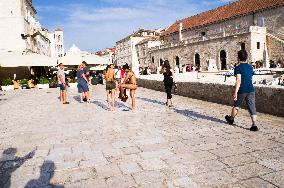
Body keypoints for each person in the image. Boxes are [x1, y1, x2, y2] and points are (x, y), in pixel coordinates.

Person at [225, 50, 258, 131]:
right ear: (246, 57)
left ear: (238, 57)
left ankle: (231, 119)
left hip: (242, 90)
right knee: (252, 107)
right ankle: (254, 125)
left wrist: (235, 92)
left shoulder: (238, 67)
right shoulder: (250, 67)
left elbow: (238, 80)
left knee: (236, 106)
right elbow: (250, 77)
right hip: (251, 89)